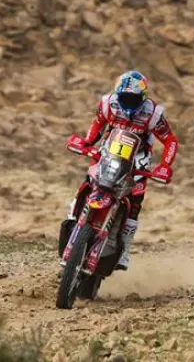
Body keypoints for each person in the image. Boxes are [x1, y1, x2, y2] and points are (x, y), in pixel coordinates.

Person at [59, 70, 179, 271]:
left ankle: (124, 251)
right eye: (125, 98)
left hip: (138, 159)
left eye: (133, 99)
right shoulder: (108, 104)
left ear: (142, 97)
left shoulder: (153, 114)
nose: (128, 102)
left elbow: (170, 141)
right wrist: (86, 143)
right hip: (109, 153)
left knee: (135, 202)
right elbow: (97, 125)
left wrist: (165, 166)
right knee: (90, 180)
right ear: (118, 95)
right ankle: (73, 220)